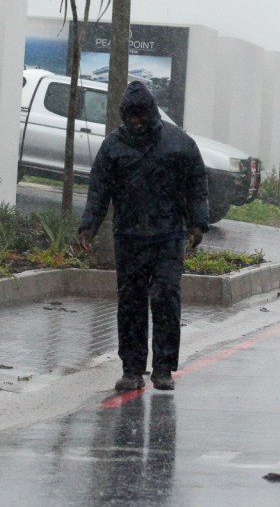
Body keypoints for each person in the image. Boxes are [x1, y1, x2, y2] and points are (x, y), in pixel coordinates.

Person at [78, 81, 208, 392]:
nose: (136, 121)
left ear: (151, 113)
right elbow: (99, 189)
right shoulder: (113, 147)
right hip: (130, 238)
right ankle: (132, 370)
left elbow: (196, 183)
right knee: (131, 304)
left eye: (141, 115)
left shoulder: (179, 143)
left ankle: (163, 368)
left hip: (168, 237)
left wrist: (197, 223)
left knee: (165, 299)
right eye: (130, 116)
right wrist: (88, 226)